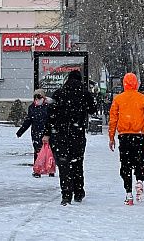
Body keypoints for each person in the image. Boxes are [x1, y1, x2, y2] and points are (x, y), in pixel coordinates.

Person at [42, 70, 97, 206]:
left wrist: (47, 133)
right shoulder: (85, 94)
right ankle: (78, 191)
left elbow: (51, 116)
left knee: (64, 164)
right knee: (77, 163)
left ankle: (66, 193)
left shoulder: (59, 93)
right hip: (77, 134)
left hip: (60, 134)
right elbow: (93, 109)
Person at [109, 73, 144, 205]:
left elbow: (113, 119)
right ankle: (139, 181)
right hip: (139, 135)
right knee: (139, 161)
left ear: (124, 83)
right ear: (136, 84)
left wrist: (111, 137)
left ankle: (128, 194)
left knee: (125, 164)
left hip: (124, 136)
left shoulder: (119, 99)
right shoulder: (143, 99)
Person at [17, 89, 53, 178]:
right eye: (35, 97)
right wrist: (21, 131)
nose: (37, 99)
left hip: (47, 132)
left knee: (49, 151)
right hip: (36, 132)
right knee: (37, 151)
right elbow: (28, 120)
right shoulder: (32, 107)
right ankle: (37, 170)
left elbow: (52, 119)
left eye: (39, 96)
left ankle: (50, 169)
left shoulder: (48, 106)